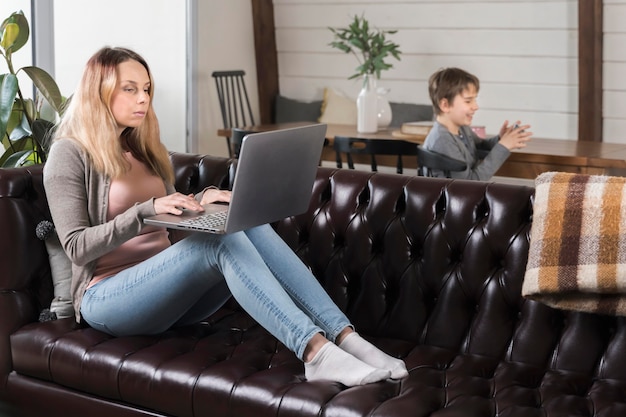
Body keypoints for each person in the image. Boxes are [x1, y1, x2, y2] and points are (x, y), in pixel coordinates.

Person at [43, 46, 408, 387]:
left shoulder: (144, 149)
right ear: (100, 90)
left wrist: (202, 200)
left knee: (242, 224)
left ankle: (347, 338)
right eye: (130, 88)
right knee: (219, 245)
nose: (143, 98)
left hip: (168, 294)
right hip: (108, 297)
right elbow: (76, 247)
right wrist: (144, 212)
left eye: (147, 88)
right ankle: (314, 352)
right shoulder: (69, 154)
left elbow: (166, 218)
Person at [422, 67, 533, 180]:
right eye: (468, 101)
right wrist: (503, 146)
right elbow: (471, 183)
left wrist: (500, 139)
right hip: (460, 196)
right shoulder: (442, 140)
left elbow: (478, 146)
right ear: (445, 105)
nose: (476, 107)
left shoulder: (461, 128)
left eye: (475, 100)